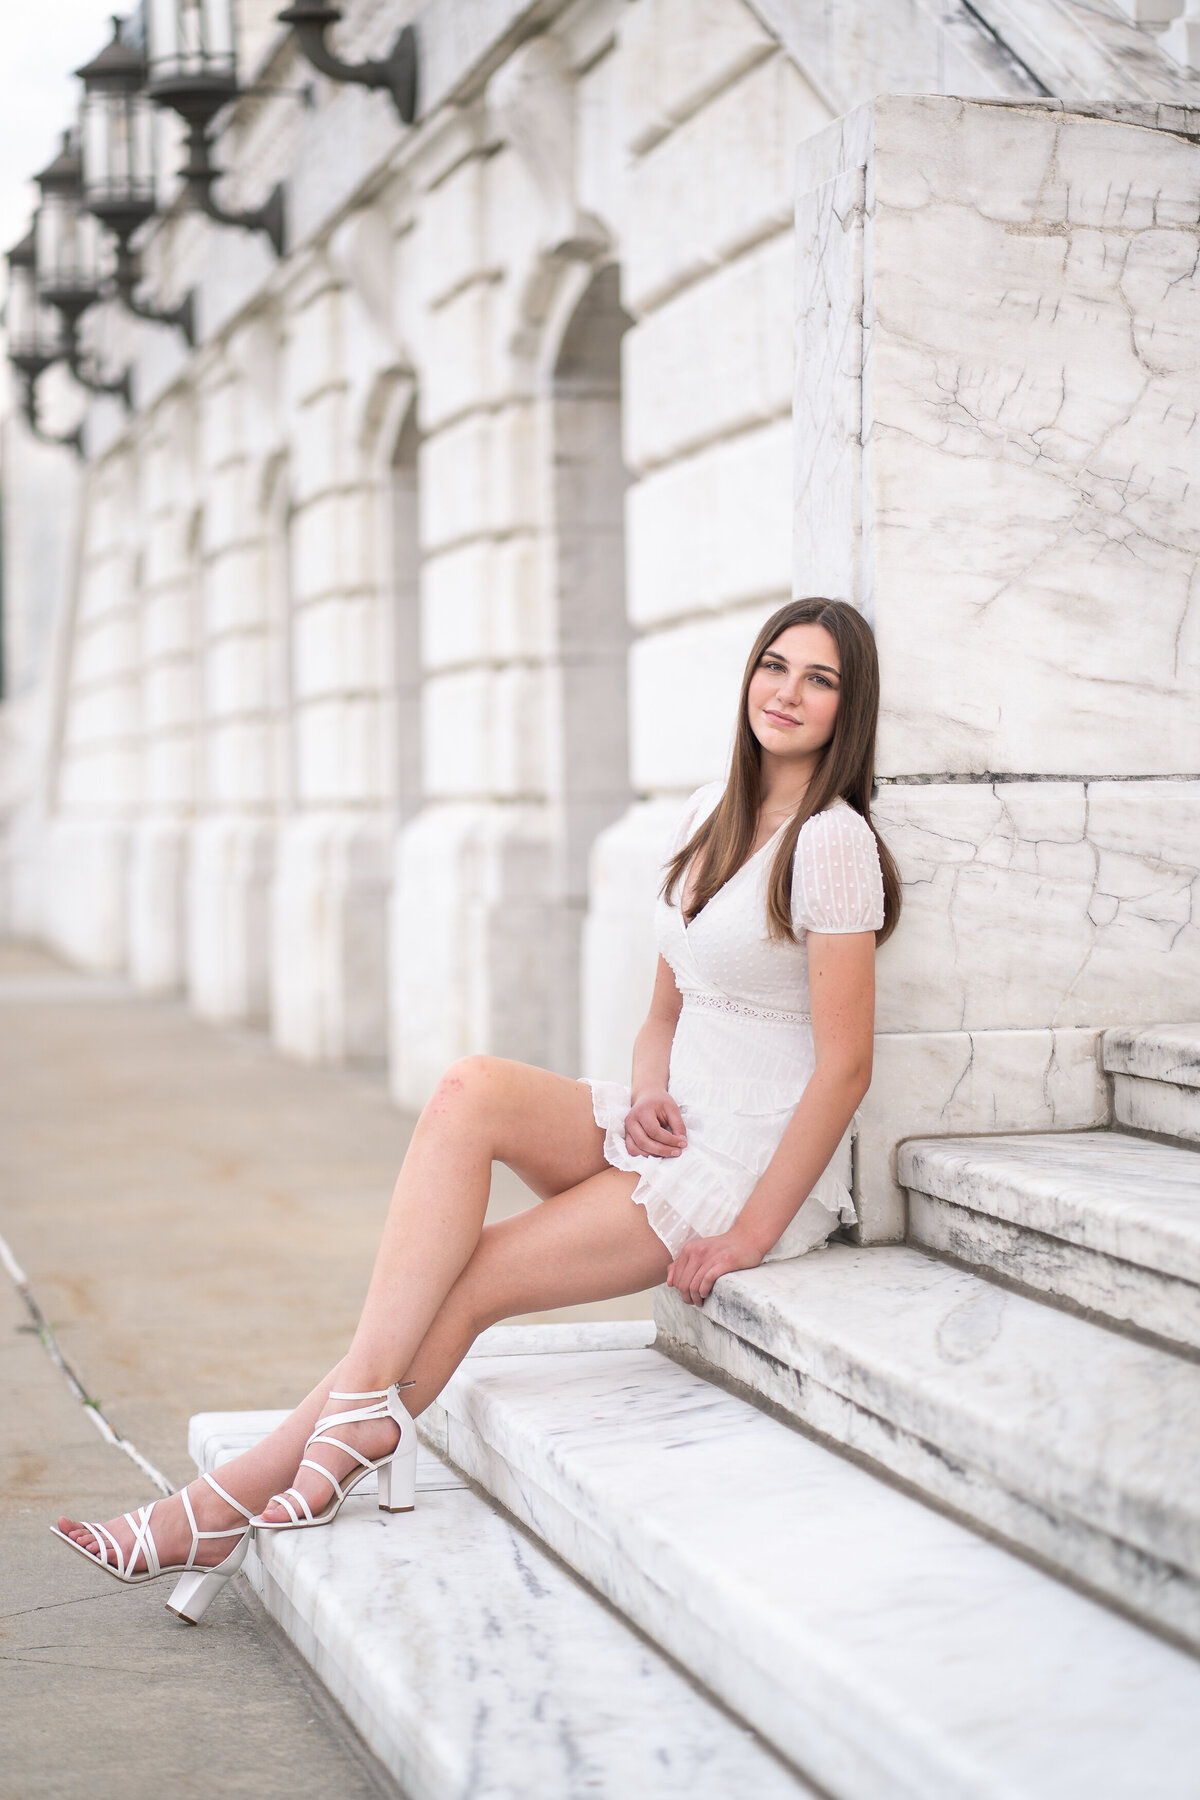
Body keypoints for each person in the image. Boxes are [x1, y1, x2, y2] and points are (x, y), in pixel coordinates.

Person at [52, 596, 901, 1622]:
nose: (788, 693)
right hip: (671, 1125)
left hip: (742, 1166)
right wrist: (648, 1091)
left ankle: (217, 1506)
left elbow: (845, 1067)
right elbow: (662, 1011)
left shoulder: (834, 844)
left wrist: (754, 1230)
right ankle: (347, 1429)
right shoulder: (707, 812)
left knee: (472, 1274)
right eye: (775, 666)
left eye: (820, 680)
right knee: (467, 1090)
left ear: (846, 711)